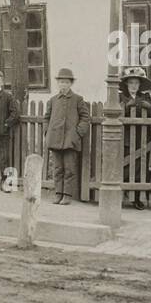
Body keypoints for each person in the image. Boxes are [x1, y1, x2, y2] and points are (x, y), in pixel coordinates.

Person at [44, 67, 90, 205]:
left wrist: (78, 133)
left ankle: (67, 195)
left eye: (66, 82)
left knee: (69, 169)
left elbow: (85, 117)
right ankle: (58, 193)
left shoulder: (77, 99)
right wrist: (48, 131)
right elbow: (46, 117)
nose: (63, 85)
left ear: (71, 84)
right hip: (55, 139)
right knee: (57, 169)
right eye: (61, 82)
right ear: (58, 84)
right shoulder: (53, 100)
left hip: (70, 140)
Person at [120, 67, 151, 210]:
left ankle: (138, 198)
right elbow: (116, 112)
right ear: (126, 85)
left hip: (143, 137)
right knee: (126, 165)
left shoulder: (146, 97)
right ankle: (127, 194)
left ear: (140, 85)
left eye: (136, 83)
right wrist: (127, 107)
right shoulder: (120, 97)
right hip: (126, 137)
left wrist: (149, 107)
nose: (133, 86)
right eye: (131, 83)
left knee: (142, 166)